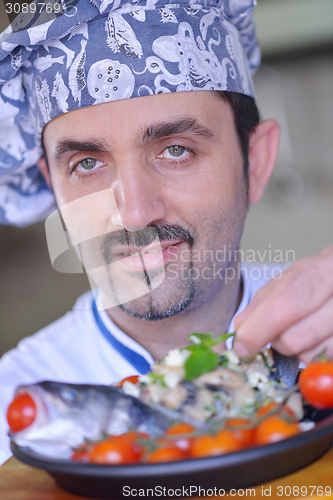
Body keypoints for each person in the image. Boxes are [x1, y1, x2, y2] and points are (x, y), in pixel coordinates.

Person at [0, 0, 332, 465]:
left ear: (254, 162)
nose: (134, 213)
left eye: (176, 150)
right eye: (87, 164)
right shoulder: (11, 412)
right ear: (55, 189)